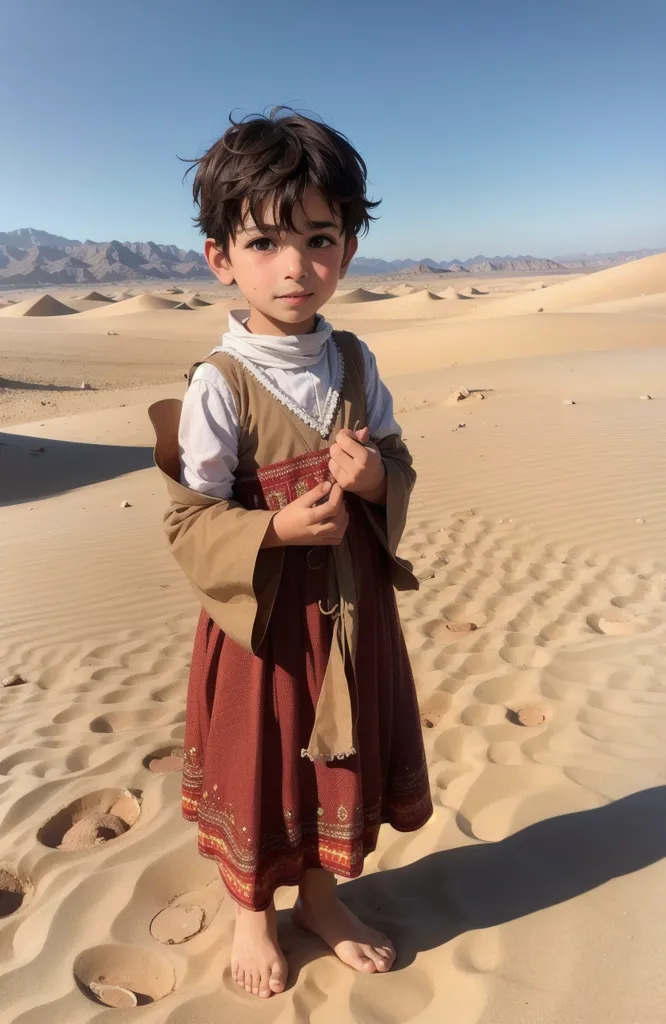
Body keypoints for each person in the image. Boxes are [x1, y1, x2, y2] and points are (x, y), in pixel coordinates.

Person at [149, 106, 432, 1000]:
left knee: (335, 763)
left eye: (318, 238)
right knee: (264, 760)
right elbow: (190, 520)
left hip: (352, 613)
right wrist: (272, 529)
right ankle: (250, 914)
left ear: (346, 249)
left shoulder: (354, 360)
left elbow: (398, 458)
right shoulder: (220, 382)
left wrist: (378, 481)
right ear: (220, 258)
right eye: (265, 241)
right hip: (263, 630)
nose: (295, 266)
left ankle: (319, 897)